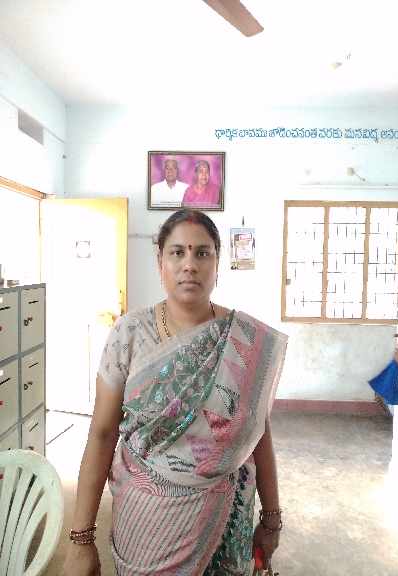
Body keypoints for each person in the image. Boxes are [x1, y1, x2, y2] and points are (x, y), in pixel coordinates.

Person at [62, 209, 287, 575]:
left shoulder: (244, 340)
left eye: (202, 253)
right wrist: (81, 539)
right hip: (145, 522)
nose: (189, 265)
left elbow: (257, 434)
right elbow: (102, 433)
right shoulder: (129, 334)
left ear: (217, 263)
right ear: (160, 263)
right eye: (177, 252)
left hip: (226, 521)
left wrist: (272, 517)